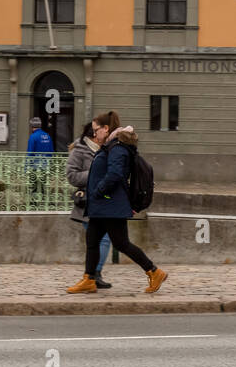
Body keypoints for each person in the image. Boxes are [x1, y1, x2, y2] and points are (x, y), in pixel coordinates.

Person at [66, 111, 167, 294]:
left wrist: (98, 191)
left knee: (121, 243)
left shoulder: (118, 147)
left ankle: (154, 271)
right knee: (92, 240)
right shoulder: (111, 146)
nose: (94, 133)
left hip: (110, 205)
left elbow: (115, 174)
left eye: (96, 130)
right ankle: (89, 279)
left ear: (106, 129)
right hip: (103, 205)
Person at [66, 122, 111, 288]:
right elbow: (72, 176)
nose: (106, 133)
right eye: (102, 130)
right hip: (88, 202)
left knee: (103, 239)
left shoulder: (104, 149)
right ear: (94, 133)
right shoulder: (80, 150)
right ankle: (93, 275)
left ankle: (94, 274)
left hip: (103, 201)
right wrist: (94, 173)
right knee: (101, 239)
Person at [26, 116, 55, 204]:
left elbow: (30, 152)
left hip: (35, 165)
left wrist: (26, 166)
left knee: (33, 185)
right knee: (44, 184)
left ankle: (33, 203)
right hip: (46, 164)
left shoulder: (33, 136)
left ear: (32, 127)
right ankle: (46, 202)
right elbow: (51, 151)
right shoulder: (47, 136)